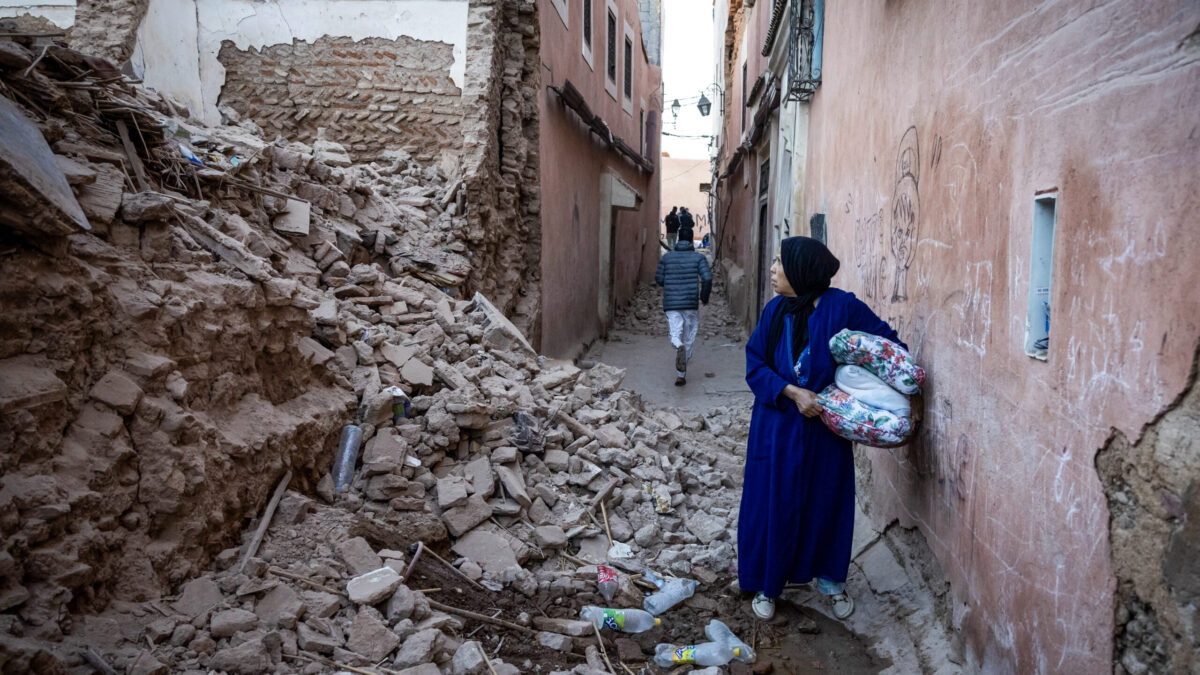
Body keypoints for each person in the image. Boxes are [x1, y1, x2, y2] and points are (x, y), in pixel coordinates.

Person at [738, 236, 906, 622]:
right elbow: (754, 364)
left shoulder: (842, 307)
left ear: (802, 270)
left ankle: (830, 580)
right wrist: (793, 392)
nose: (773, 269)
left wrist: (856, 392)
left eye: (780, 263)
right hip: (776, 429)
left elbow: (888, 350)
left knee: (825, 502)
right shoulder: (775, 311)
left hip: (825, 432)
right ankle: (768, 582)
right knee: (773, 502)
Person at [655, 226, 712, 386]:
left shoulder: (667, 257)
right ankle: (681, 374)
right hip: (690, 303)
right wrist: (704, 297)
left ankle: (677, 346)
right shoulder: (698, 258)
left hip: (671, 303)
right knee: (689, 335)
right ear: (692, 239)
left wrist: (670, 283)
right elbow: (707, 278)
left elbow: (659, 279)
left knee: (675, 333)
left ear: (679, 238)